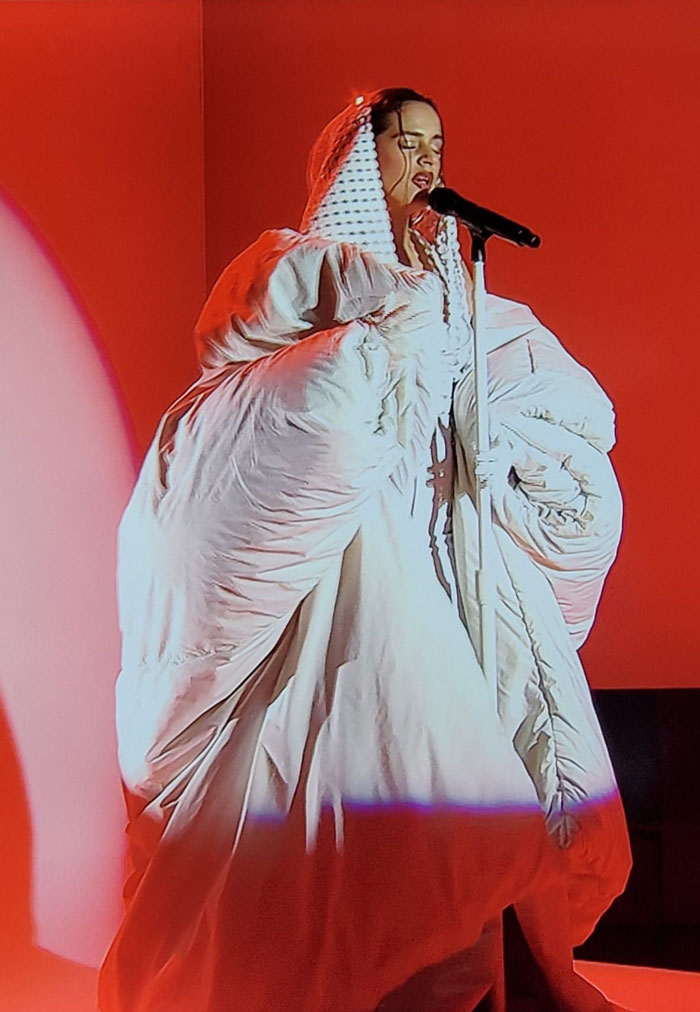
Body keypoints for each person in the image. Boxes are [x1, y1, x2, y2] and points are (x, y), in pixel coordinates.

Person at [98, 88, 633, 1012]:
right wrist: (381, 326)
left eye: (437, 143)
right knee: (417, 757)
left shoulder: (461, 292)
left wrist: (499, 429)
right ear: (357, 159)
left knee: (488, 755)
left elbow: (531, 390)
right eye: (404, 141)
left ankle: (494, 980)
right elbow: (246, 347)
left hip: (444, 548)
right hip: (349, 553)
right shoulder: (308, 267)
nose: (426, 160)